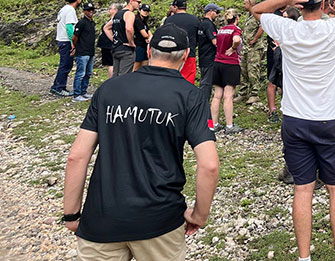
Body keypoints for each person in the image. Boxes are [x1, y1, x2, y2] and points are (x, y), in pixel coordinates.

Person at [62, 24, 219, 260]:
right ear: (186, 55)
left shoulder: (109, 89)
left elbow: (77, 157)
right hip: (160, 221)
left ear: (148, 50)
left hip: (103, 218)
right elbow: (209, 165)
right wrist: (199, 215)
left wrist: (71, 214)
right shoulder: (191, 96)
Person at [251, 0, 335, 261]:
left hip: (295, 120)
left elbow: (257, 10)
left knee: (303, 189)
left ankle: (304, 258)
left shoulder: (287, 29)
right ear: (322, 4)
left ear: (300, 6)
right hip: (329, 119)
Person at [211, 8, 243, 134]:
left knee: (217, 95)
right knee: (228, 96)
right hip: (230, 63)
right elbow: (236, 39)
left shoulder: (221, 30)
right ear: (237, 18)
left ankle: (213, 124)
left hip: (217, 62)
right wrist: (234, 48)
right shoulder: (236, 29)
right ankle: (229, 126)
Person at [267, 6, 300, 123]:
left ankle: (289, 110)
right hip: (278, 57)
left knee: (288, 85)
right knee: (272, 83)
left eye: (286, 17)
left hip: (290, 59)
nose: (283, 19)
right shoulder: (280, 28)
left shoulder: (298, 30)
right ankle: (272, 111)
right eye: (283, 17)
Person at [51, 0, 82, 97]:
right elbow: (69, 27)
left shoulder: (63, 9)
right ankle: (59, 88)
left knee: (64, 65)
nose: (81, 0)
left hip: (62, 40)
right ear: (77, 0)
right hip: (66, 41)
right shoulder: (70, 10)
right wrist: (73, 42)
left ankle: (57, 86)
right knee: (65, 65)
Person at [164, 0, 201, 85]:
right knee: (188, 81)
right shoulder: (195, 20)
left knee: (171, 80)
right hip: (189, 54)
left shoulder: (169, 20)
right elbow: (198, 38)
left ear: (176, 7)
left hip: (172, 54)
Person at [105, 0, 141, 77]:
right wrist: (131, 43)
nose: (140, 4)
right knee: (124, 77)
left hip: (116, 49)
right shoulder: (129, 14)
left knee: (115, 76)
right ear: (131, 1)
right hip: (126, 50)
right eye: (138, 2)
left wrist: (115, 39)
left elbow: (106, 28)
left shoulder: (118, 14)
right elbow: (129, 29)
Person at [71, 3, 97, 103]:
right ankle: (76, 94)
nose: (91, 12)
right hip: (82, 52)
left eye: (92, 10)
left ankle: (83, 91)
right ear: (84, 11)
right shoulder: (81, 23)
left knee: (88, 73)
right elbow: (75, 37)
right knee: (80, 73)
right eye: (88, 10)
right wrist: (75, 46)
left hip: (90, 51)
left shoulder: (92, 23)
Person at [240, 0, 266, 99]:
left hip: (255, 48)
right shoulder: (248, 15)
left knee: (253, 70)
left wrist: (255, 39)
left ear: (251, 4)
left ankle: (254, 94)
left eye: (245, 3)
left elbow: (262, 26)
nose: (243, 5)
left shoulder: (257, 14)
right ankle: (243, 92)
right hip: (246, 47)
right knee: (243, 70)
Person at [198, 3, 223, 103]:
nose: (217, 15)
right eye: (217, 12)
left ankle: (201, 101)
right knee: (206, 83)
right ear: (210, 11)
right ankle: (203, 103)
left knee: (204, 80)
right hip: (209, 57)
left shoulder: (201, 24)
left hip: (203, 56)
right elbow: (215, 42)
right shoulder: (209, 25)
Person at [96, 3, 120, 79]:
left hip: (110, 45)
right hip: (105, 45)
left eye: (111, 9)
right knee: (110, 64)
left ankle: (111, 79)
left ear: (116, 10)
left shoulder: (115, 20)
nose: (109, 10)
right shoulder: (110, 20)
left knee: (111, 64)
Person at [133, 3, 153, 71]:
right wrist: (148, 37)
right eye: (144, 10)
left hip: (144, 45)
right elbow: (144, 34)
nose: (146, 12)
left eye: (147, 11)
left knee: (145, 64)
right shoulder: (137, 20)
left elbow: (150, 33)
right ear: (139, 10)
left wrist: (149, 38)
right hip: (138, 45)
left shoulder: (144, 21)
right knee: (137, 65)